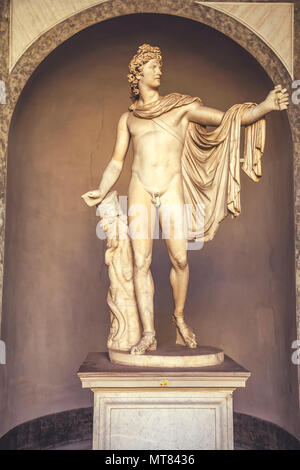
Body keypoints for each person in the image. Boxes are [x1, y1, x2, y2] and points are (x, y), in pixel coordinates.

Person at [84, 44, 289, 355]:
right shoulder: (128, 119)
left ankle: (179, 318)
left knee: (180, 259)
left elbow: (229, 119)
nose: (159, 70)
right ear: (138, 73)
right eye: (153, 66)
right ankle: (149, 333)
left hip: (171, 189)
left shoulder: (181, 107)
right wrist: (101, 188)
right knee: (142, 263)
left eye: (159, 65)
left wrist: (264, 106)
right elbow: (117, 160)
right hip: (140, 187)